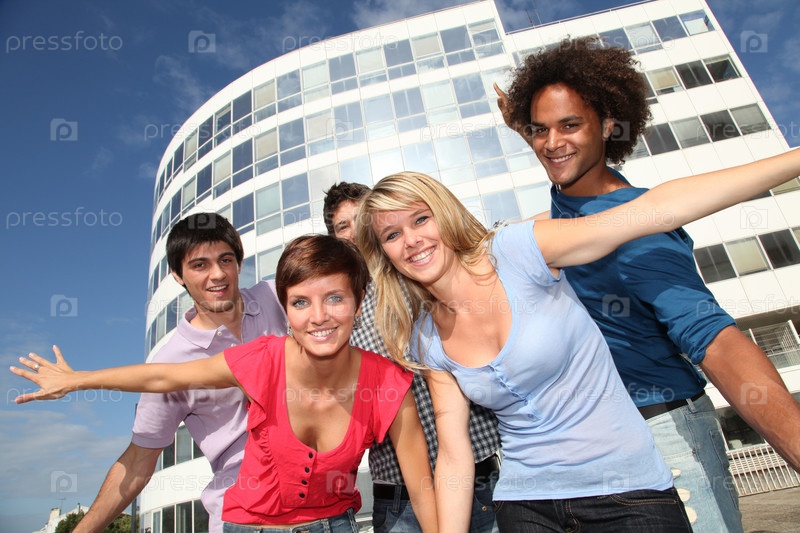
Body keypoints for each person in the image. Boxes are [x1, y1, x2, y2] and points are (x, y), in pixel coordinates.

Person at [353, 152, 800, 532]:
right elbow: (454, 454)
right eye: (392, 235)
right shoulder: (427, 338)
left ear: (443, 213)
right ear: (383, 253)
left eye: (420, 219)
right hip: (525, 505)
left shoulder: (517, 251)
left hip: (628, 490)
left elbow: (652, 210)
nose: (411, 240)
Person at [495, 36, 800, 532]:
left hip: (666, 436)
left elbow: (715, 342)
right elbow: (562, 146)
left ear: (608, 125)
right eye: (538, 130)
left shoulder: (635, 228)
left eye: (570, 125)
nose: (550, 143)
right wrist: (525, 122)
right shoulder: (567, 206)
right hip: (597, 446)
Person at [11, 235, 437, 533]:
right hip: (246, 526)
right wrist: (77, 380)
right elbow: (161, 376)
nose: (319, 316)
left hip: (335, 526)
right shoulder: (262, 359)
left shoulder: (388, 385)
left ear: (359, 303)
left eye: (336, 298)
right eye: (301, 302)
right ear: (286, 310)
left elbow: (422, 490)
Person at [63, 212, 287, 533]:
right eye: (200, 265)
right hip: (245, 515)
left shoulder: (278, 297)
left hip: (324, 503)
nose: (217, 274)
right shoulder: (170, 362)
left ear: (239, 262)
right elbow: (138, 462)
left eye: (225, 260)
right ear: (178, 275)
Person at [323, 182, 502, 533]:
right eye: (343, 226)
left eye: (362, 219)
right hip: (399, 498)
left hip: (480, 479)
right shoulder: (338, 311)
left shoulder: (420, 274)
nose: (355, 231)